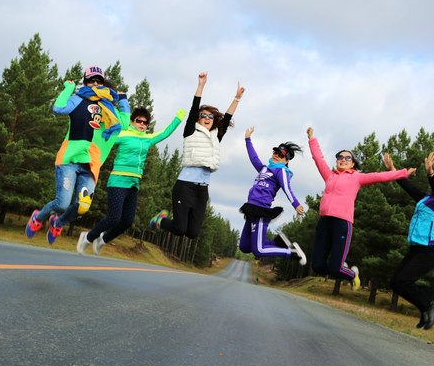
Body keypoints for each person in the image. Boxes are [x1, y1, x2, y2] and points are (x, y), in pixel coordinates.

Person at [25, 66, 129, 244]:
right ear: (85, 82)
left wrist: (123, 99)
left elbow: (125, 124)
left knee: (83, 207)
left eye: (98, 81)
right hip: (70, 160)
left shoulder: (110, 112)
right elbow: (58, 108)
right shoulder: (78, 99)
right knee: (62, 203)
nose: (95, 83)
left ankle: (58, 223)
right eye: (91, 80)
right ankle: (38, 217)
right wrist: (68, 89)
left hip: (91, 165)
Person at [307, 126, 410, 289]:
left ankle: (352, 274)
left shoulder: (357, 178)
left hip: (342, 224)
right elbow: (318, 159)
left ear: (353, 163)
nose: (343, 159)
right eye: (340, 157)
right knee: (317, 266)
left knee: (334, 268)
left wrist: (402, 173)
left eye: (347, 158)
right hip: (324, 222)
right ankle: (342, 269)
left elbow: (379, 176)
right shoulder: (329, 175)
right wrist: (312, 139)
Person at [77, 106, 186, 255]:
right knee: (113, 219)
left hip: (134, 184)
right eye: (139, 121)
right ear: (132, 121)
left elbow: (165, 133)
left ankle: (103, 240)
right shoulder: (122, 134)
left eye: (145, 122)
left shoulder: (147, 139)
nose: (142, 124)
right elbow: (103, 139)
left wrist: (179, 117)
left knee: (127, 221)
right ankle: (87, 238)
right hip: (118, 181)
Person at [149, 72, 245, 239]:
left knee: (192, 233)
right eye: (203, 116)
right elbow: (194, 108)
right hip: (185, 186)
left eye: (210, 116)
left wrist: (237, 98)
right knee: (179, 229)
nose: (207, 118)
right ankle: (160, 221)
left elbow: (228, 117)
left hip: (202, 189)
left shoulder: (216, 136)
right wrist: (201, 85)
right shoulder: (190, 131)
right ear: (198, 119)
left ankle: (172, 223)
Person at [383, 151, 434, 330]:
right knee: (396, 283)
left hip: (430, 251)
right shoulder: (427, 199)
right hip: (416, 248)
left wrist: (431, 174)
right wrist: (393, 170)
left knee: (402, 281)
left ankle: (428, 307)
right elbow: (408, 186)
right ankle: (425, 310)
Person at [238, 127, 307, 264]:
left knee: (259, 250)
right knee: (245, 246)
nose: (276, 155)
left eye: (281, 155)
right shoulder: (265, 168)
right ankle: (278, 242)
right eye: (275, 152)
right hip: (251, 209)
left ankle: (292, 253)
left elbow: (287, 188)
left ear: (286, 161)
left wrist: (296, 204)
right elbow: (253, 158)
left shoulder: (281, 171)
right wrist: (247, 139)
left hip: (261, 210)